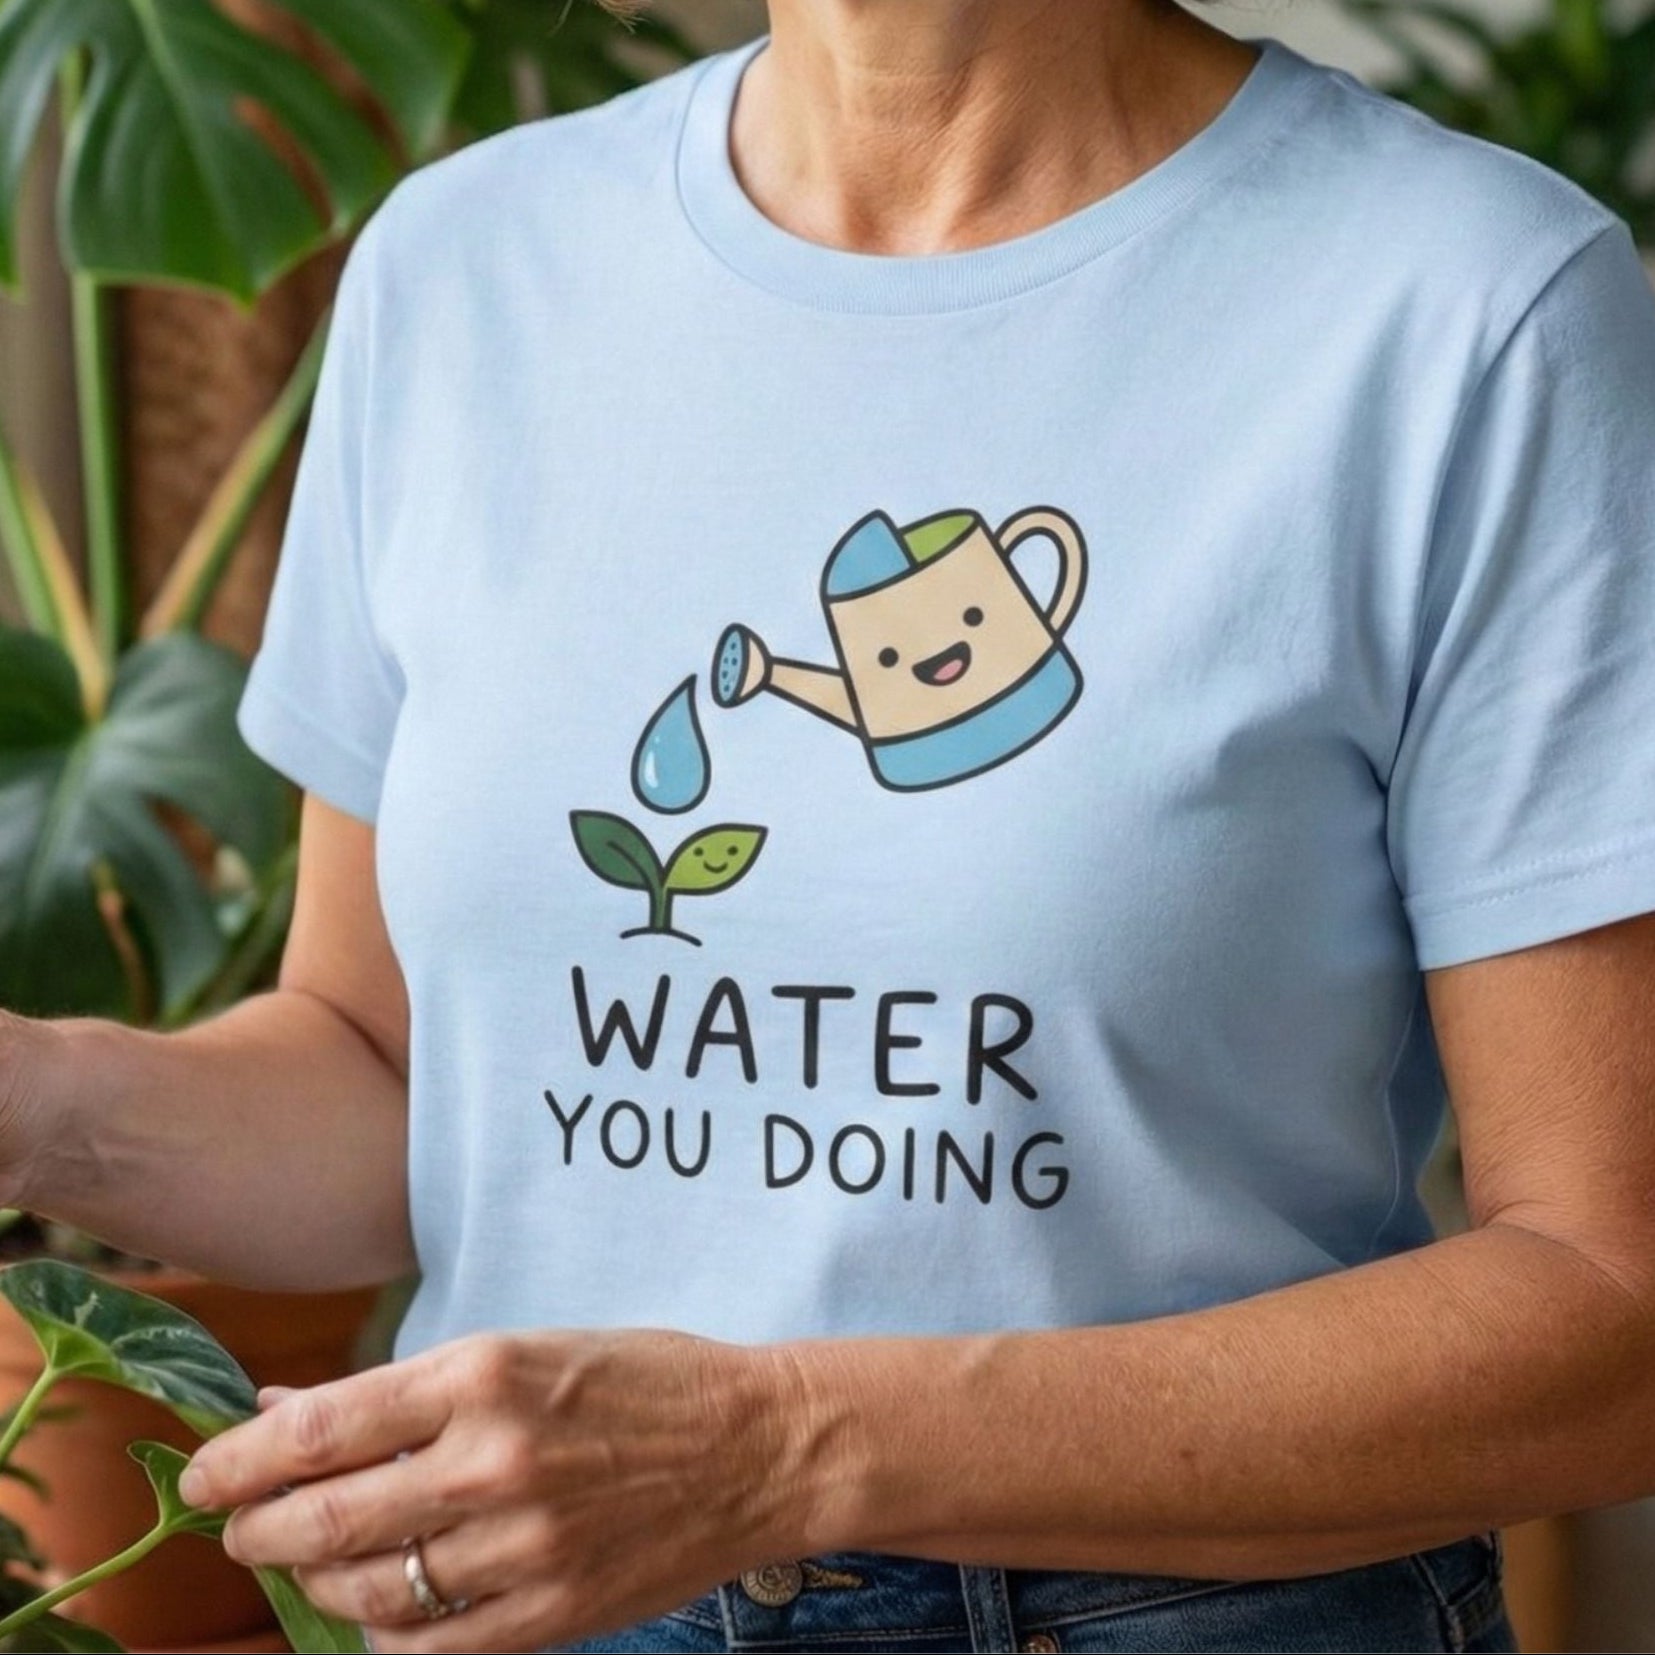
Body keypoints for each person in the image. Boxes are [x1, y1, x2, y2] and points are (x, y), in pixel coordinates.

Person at [2, 0, 1653, 1649]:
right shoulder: (461, 268)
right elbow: (396, 1084)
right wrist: (43, 1103)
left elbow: (1616, 1304)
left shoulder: (1469, 304)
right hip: (531, 1610)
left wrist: (780, 1450)